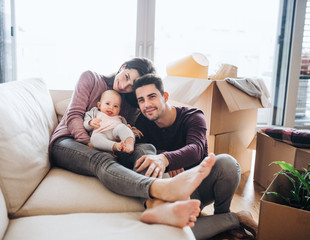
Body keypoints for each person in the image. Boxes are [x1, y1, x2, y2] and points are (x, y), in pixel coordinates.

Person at [49, 57, 215, 228]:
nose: (123, 86)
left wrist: (139, 141)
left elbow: (128, 133)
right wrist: (90, 144)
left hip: (108, 146)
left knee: (146, 149)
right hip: (68, 142)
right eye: (126, 77)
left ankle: (155, 206)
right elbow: (74, 115)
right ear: (123, 66)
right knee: (101, 159)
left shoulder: (131, 103)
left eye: (131, 86)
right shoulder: (91, 78)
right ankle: (163, 189)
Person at [132, 74, 258, 239]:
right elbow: (144, 153)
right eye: (141, 100)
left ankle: (222, 213)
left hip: (200, 185)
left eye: (152, 97)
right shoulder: (142, 123)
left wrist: (166, 159)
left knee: (227, 163)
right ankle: (233, 220)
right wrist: (166, 156)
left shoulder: (193, 116)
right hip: (172, 194)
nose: (146, 104)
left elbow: (196, 149)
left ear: (165, 96)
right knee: (170, 234)